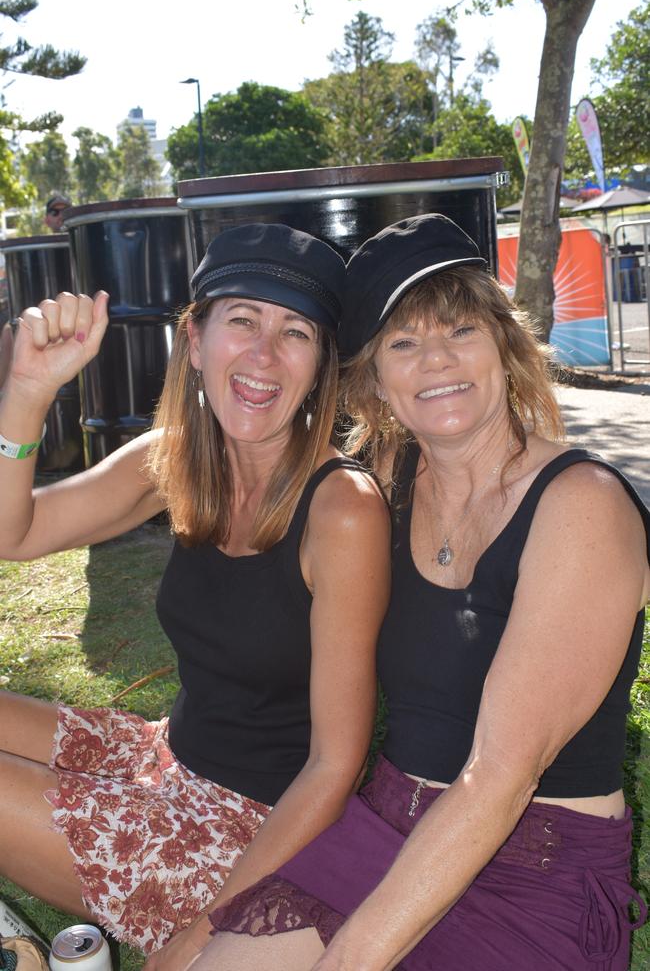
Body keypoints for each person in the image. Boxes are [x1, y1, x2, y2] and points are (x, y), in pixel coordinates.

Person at [199, 214, 650, 971]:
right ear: (375, 379)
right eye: (403, 343)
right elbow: (252, 453)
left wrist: (349, 960)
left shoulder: (582, 505)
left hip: (533, 859)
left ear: (505, 346)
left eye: (461, 331)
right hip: (382, 824)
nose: (436, 360)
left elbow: (499, 778)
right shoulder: (385, 489)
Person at [0, 223, 390, 960]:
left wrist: (210, 928)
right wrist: (28, 391)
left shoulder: (341, 508)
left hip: (255, 828)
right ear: (196, 336)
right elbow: (12, 533)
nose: (264, 355)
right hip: (164, 756)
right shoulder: (175, 458)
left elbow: (335, 766)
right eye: (242, 319)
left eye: (296, 332)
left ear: (320, 365)